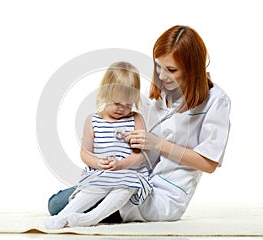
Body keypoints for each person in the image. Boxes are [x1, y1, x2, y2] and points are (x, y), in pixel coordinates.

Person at [47, 25, 231, 223]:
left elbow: (209, 163)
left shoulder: (216, 101)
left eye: (171, 70)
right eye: (158, 66)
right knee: (56, 203)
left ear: (192, 68)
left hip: (164, 195)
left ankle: (89, 218)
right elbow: (138, 148)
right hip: (130, 176)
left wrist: (157, 144)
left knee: (59, 206)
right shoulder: (160, 96)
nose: (161, 75)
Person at [44, 61, 152, 229]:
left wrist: (122, 164)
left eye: (128, 104)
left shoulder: (136, 119)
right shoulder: (93, 121)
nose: (122, 109)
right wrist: (97, 163)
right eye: (117, 103)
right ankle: (61, 217)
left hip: (129, 174)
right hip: (103, 174)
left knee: (122, 190)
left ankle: (90, 219)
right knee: (89, 191)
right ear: (105, 93)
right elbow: (85, 153)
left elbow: (142, 154)